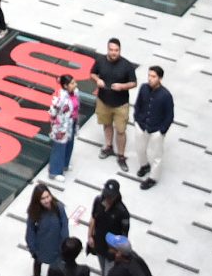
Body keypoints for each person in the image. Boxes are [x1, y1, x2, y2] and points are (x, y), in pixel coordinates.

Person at [90, 37, 137, 167]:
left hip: (121, 104)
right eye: (111, 50)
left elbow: (134, 82)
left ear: (120, 50)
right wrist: (97, 80)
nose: (113, 52)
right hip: (103, 100)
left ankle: (121, 156)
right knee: (106, 124)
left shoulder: (127, 65)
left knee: (121, 131)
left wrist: (123, 87)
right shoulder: (100, 61)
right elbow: (92, 73)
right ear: (107, 49)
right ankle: (108, 146)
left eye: (116, 50)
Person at [22, 185, 67, 276]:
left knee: (56, 268)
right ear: (38, 200)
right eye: (43, 198)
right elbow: (30, 231)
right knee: (37, 264)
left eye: (48, 196)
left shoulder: (59, 208)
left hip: (56, 245)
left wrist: (64, 245)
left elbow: (64, 227)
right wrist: (32, 248)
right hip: (41, 246)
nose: (47, 200)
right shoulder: (34, 213)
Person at [133, 66, 175, 185]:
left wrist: (162, 131)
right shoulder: (143, 88)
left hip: (156, 129)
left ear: (160, 78)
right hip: (141, 125)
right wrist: (136, 119)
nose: (150, 79)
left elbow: (169, 115)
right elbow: (138, 104)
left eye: (153, 77)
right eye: (149, 76)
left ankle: (153, 178)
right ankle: (144, 165)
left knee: (157, 155)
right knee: (140, 149)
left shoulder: (166, 95)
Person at [45, 74, 82, 180]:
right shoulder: (60, 97)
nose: (75, 85)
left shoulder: (76, 92)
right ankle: (55, 171)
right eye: (72, 83)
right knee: (59, 147)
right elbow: (53, 111)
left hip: (72, 122)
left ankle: (65, 164)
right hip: (61, 125)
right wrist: (56, 124)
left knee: (69, 143)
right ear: (65, 85)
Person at [87, 178, 131, 265]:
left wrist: (119, 252)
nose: (108, 198)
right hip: (98, 243)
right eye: (107, 195)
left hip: (112, 248)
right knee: (102, 265)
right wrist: (90, 236)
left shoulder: (122, 212)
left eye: (111, 196)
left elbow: (124, 234)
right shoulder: (98, 201)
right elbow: (93, 218)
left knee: (109, 273)